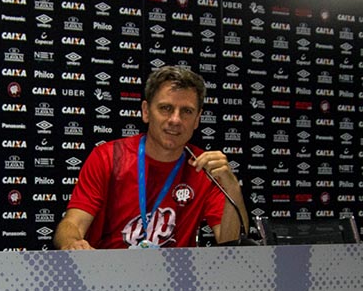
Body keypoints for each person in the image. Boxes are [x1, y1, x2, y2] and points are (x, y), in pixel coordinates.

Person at [54, 66, 247, 249]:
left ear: (197, 119)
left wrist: (232, 188)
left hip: (179, 278)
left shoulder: (204, 167)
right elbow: (73, 223)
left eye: (186, 111)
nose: (175, 120)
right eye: (166, 108)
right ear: (146, 112)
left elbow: (230, 245)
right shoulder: (108, 157)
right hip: (110, 276)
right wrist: (72, 242)